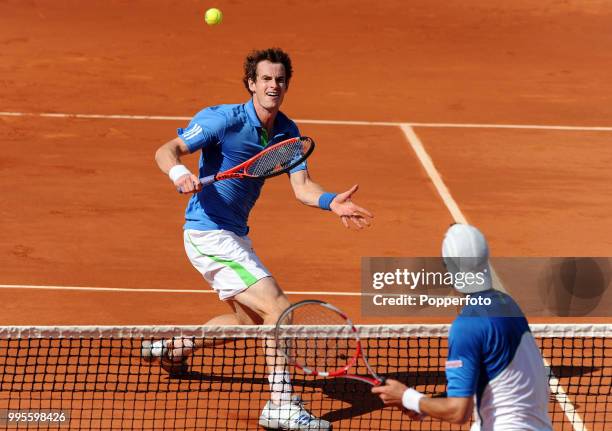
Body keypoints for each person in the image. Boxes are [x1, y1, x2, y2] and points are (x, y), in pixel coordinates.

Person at [145, 47, 373, 430]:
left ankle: (172, 349)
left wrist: (332, 202)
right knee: (278, 308)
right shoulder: (223, 120)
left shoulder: (287, 133)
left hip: (234, 235)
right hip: (208, 233)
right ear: (251, 83)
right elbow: (167, 150)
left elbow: (302, 188)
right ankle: (281, 405)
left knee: (247, 321)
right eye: (266, 79)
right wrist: (178, 174)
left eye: (280, 79)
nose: (273, 85)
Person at [372, 224, 553, 430]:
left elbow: (458, 412)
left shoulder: (466, 327)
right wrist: (426, 404)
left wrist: (406, 396)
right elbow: (489, 377)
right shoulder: (507, 304)